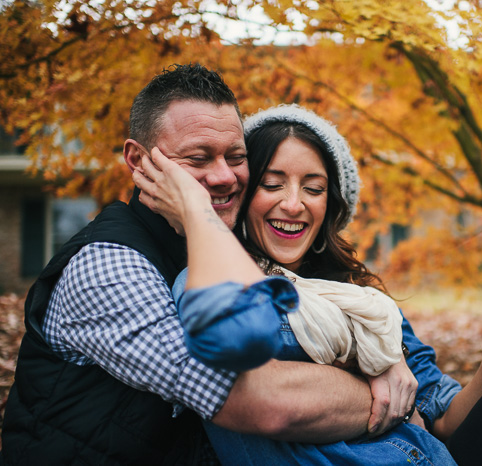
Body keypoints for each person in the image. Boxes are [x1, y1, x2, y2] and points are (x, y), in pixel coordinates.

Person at [136, 103, 482, 465]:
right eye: (273, 183)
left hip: (440, 456)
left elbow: (446, 419)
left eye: (313, 187)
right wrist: (198, 212)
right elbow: (260, 394)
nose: (293, 203)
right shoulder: (215, 288)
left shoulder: (366, 305)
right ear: (241, 194)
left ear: (331, 205)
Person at [0, 65, 397, 464]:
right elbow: (264, 399)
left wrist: (383, 357)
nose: (225, 176)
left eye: (236, 157)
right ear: (137, 161)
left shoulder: (211, 249)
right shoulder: (107, 266)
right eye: (198, 158)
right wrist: (383, 393)